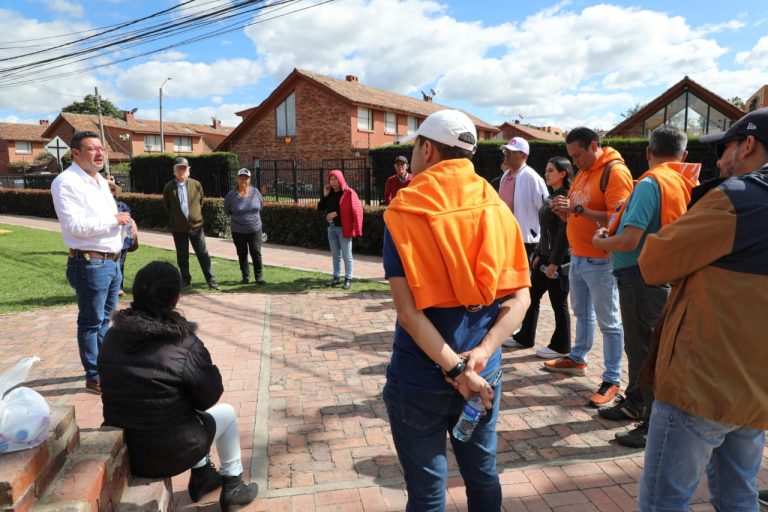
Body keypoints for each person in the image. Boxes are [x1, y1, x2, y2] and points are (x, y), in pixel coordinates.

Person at [382, 109, 531, 511]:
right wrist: (478, 358)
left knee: (429, 495)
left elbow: (409, 314)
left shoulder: (404, 211)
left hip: (422, 374)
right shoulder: (498, 209)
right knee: (483, 477)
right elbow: (520, 299)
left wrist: (454, 369)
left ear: (427, 149)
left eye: (414, 147)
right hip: (484, 374)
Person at [636, 108, 768, 511]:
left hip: (701, 384)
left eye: (725, 147)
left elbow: (654, 261)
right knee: (738, 496)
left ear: (748, 145)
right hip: (756, 391)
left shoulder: (738, 199)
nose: (719, 159)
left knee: (664, 501)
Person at [98, 261, 258, 510]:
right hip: (169, 453)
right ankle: (233, 485)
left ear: (135, 294)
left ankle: (203, 475)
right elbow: (209, 396)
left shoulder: (111, 336)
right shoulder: (184, 344)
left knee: (180, 412)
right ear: (175, 298)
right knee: (225, 414)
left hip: (125, 448)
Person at [591, 125, 699, 449]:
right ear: (684, 155)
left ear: (648, 152)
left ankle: (651, 423)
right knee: (649, 346)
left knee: (643, 351)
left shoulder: (651, 182)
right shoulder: (683, 182)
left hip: (640, 277)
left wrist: (603, 241)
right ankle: (636, 402)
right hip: (662, 275)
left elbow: (630, 239)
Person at [545, 127, 633, 407]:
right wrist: (565, 213)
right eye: (571, 156)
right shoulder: (583, 173)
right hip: (579, 256)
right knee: (581, 312)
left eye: (578, 155)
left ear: (594, 145)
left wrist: (578, 211)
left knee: (609, 321)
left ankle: (612, 378)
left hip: (600, 258)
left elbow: (619, 216)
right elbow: (576, 210)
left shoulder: (614, 172)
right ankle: (578, 357)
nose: (574, 162)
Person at [51, 130, 135, 395]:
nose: (100, 154)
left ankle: (104, 368)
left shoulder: (98, 180)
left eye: (102, 149)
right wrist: (115, 220)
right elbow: (73, 226)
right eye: (92, 149)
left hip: (111, 263)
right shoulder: (67, 182)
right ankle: (94, 375)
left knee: (103, 321)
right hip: (90, 263)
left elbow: (109, 216)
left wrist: (126, 224)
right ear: (75, 153)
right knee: (90, 322)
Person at [512, 156, 573, 359]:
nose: (546, 174)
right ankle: (525, 336)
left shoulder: (564, 199)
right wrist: (539, 253)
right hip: (545, 258)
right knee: (531, 297)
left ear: (563, 173)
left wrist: (555, 262)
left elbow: (564, 234)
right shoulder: (551, 197)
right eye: (546, 170)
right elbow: (545, 230)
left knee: (559, 302)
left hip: (558, 261)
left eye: (551, 171)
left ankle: (561, 346)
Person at [492, 137, 547, 349]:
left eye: (512, 151)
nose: (507, 154)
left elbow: (544, 208)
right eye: (506, 150)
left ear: (523, 155)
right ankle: (513, 325)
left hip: (526, 241)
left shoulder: (532, 177)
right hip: (506, 240)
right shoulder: (506, 175)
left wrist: (537, 235)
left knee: (523, 289)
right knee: (508, 286)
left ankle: (525, 333)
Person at [163, 157, 219, 290]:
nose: (181, 171)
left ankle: (211, 280)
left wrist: (193, 216)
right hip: (178, 228)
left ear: (189, 170)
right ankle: (186, 281)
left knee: (203, 254)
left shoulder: (196, 185)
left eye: (184, 168)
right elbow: (168, 206)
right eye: (178, 168)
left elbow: (201, 202)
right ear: (174, 171)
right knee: (182, 256)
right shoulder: (168, 187)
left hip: (196, 227)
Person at [317, 169, 363, 290]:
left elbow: (353, 210)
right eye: (331, 180)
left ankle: (348, 278)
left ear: (340, 179)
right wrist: (324, 195)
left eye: (335, 179)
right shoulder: (330, 193)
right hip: (331, 228)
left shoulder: (348, 193)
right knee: (335, 254)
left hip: (344, 228)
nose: (333, 182)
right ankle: (336, 277)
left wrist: (336, 214)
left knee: (347, 255)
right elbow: (320, 208)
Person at [224, 168, 265, 285]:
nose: (243, 180)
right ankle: (245, 277)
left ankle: (259, 276)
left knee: (256, 252)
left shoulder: (256, 192)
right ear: (237, 179)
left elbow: (261, 205)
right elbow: (227, 210)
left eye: (246, 178)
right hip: (238, 230)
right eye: (241, 177)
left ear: (249, 179)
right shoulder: (231, 195)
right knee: (242, 253)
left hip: (255, 229)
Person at [108, 180, 137, 297]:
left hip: (123, 240)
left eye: (112, 190)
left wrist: (132, 223)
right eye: (107, 190)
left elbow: (129, 221)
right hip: (108, 241)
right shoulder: (99, 207)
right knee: (109, 264)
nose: (110, 192)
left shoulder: (122, 206)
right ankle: (110, 288)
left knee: (120, 263)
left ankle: (119, 287)